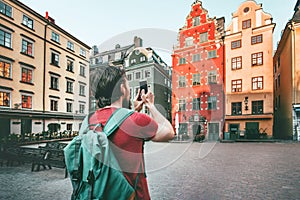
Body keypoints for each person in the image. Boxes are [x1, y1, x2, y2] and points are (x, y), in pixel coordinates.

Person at [89, 65, 175, 200]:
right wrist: (150, 105)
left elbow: (117, 128)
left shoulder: (90, 120)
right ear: (122, 88)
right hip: (133, 195)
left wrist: (133, 111)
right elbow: (169, 132)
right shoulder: (136, 120)